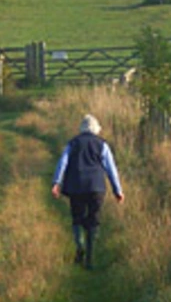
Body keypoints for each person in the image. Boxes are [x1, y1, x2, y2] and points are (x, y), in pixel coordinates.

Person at [50, 113, 124, 269]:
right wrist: (117, 190)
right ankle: (89, 258)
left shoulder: (73, 143)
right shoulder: (102, 145)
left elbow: (62, 163)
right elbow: (111, 169)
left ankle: (80, 245)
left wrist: (57, 182)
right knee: (93, 220)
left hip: (76, 187)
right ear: (96, 130)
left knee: (77, 218)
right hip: (96, 187)